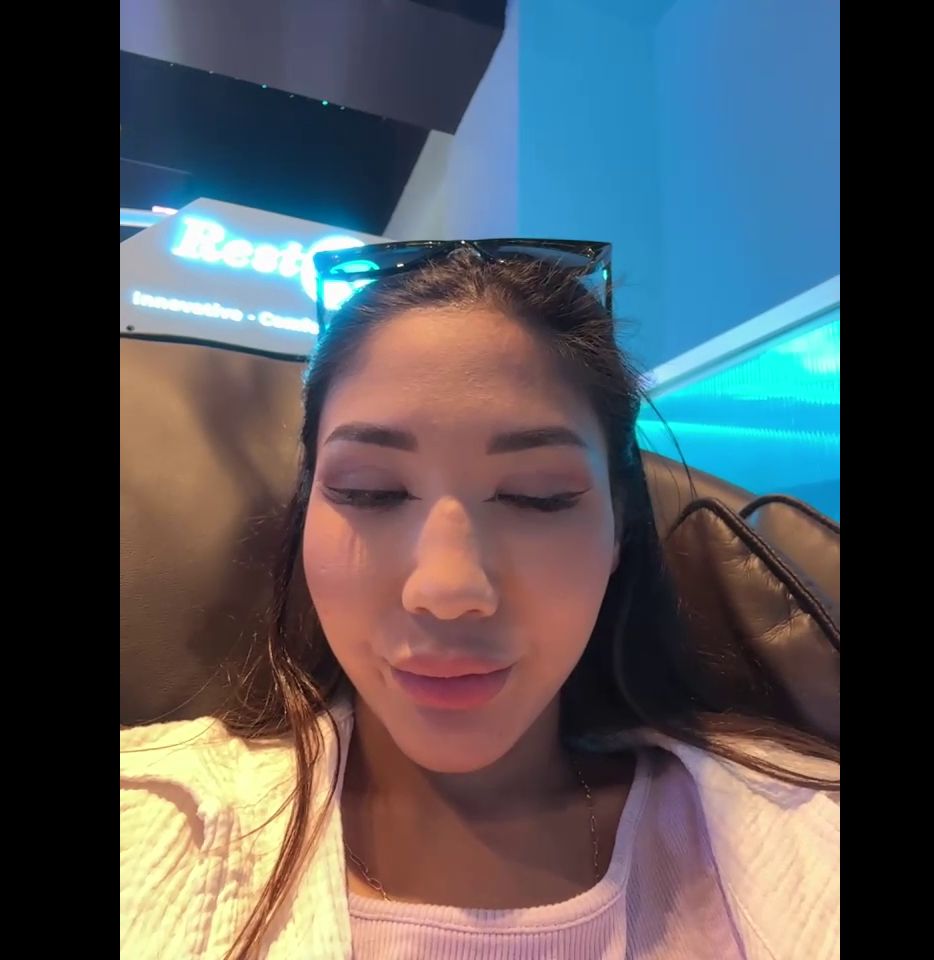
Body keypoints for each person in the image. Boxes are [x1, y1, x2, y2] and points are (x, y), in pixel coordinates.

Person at [120, 241, 839, 960]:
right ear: (308, 510)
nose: (447, 591)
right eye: (371, 491)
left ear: (619, 527)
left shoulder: (811, 831)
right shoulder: (148, 819)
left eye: (536, 497)